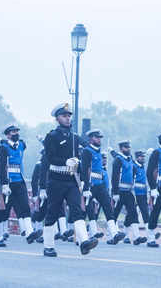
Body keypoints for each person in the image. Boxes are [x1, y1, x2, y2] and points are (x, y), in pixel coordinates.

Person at [42, 103, 98, 257]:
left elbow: (86, 148)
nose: (67, 119)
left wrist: (81, 162)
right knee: (53, 211)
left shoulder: (74, 137)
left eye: (68, 116)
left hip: (72, 179)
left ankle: (84, 241)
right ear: (57, 118)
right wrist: (65, 161)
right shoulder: (52, 136)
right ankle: (48, 246)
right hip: (56, 179)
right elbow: (49, 158)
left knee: (77, 210)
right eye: (64, 116)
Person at [0, 125, 38, 247]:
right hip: (8, 183)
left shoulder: (20, 146)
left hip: (20, 181)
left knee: (25, 206)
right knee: (3, 210)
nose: (16, 133)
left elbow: (23, 143)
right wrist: (4, 184)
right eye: (13, 132)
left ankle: (29, 232)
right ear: (8, 134)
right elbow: (1, 167)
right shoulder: (3, 148)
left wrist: (4, 140)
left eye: (17, 131)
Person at [81, 129, 125, 244]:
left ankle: (114, 233)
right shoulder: (87, 151)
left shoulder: (98, 152)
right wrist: (85, 188)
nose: (99, 139)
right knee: (86, 210)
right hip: (90, 184)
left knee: (108, 207)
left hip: (100, 185)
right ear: (91, 138)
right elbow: (85, 170)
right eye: (97, 137)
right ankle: (83, 236)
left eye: (100, 137)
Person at [111, 140, 147, 245]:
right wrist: (115, 193)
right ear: (121, 148)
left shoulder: (129, 158)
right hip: (119, 191)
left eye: (129, 147)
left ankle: (136, 238)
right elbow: (115, 177)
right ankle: (112, 236)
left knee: (133, 213)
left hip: (128, 192)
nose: (129, 149)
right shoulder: (118, 160)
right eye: (126, 147)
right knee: (114, 214)